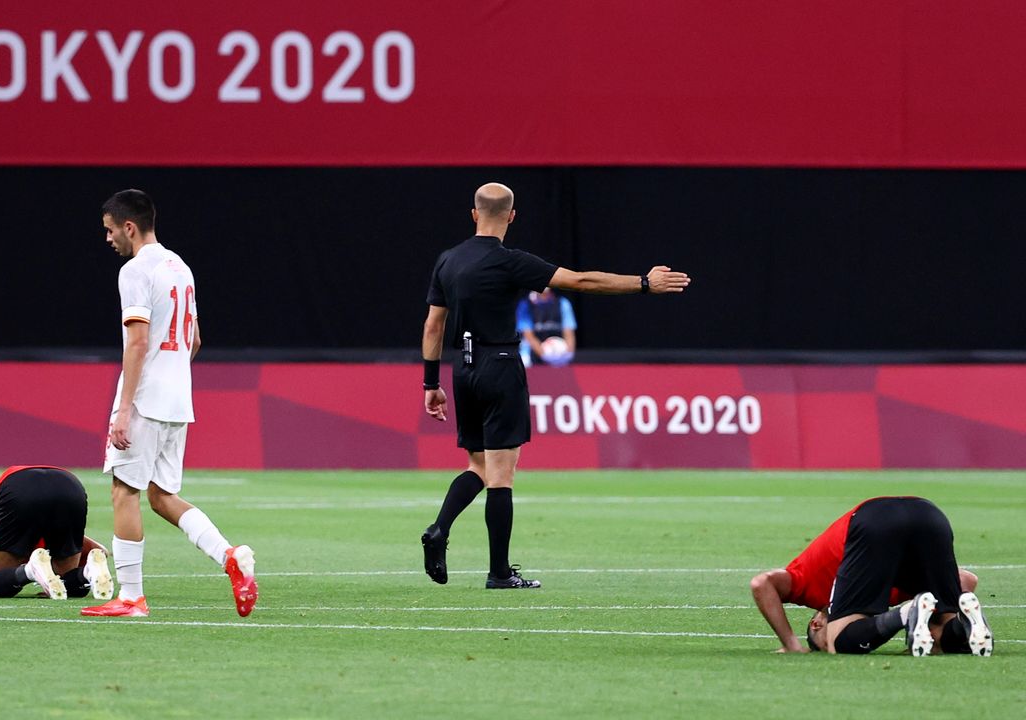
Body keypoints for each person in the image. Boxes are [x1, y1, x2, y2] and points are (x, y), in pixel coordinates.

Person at [420, 182, 690, 589]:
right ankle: (498, 573)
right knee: (502, 475)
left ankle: (440, 529)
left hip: (464, 368)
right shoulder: (510, 262)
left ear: (474, 214)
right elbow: (581, 281)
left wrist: (430, 382)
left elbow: (433, 325)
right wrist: (644, 283)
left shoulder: (448, 260)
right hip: (501, 365)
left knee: (479, 465)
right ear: (511, 216)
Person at [81, 189, 257, 619]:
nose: (107, 239)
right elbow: (195, 340)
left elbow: (138, 341)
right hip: (178, 399)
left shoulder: (135, 271)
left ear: (129, 226)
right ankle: (229, 556)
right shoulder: (181, 267)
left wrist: (124, 408)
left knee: (124, 491)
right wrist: (171, 371)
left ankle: (132, 597)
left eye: (109, 230)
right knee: (161, 496)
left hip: (145, 399)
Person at [749, 496, 993, 656]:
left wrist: (791, 644)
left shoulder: (808, 585)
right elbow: (966, 581)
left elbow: (762, 583)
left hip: (873, 518)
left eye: (819, 640)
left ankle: (908, 614)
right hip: (931, 515)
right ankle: (965, 626)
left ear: (817, 623)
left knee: (840, 643)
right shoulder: (888, 590)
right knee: (939, 636)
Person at [0, 465, 112, 600]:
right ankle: (88, 573)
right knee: (68, 588)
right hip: (69, 484)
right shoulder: (38, 543)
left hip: (20, 485)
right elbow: (100, 552)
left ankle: (29, 571)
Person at [516, 288, 577, 367]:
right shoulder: (525, 305)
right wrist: (546, 356)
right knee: (524, 359)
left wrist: (567, 355)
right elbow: (529, 336)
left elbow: (569, 333)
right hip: (534, 352)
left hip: (558, 353)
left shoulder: (563, 303)